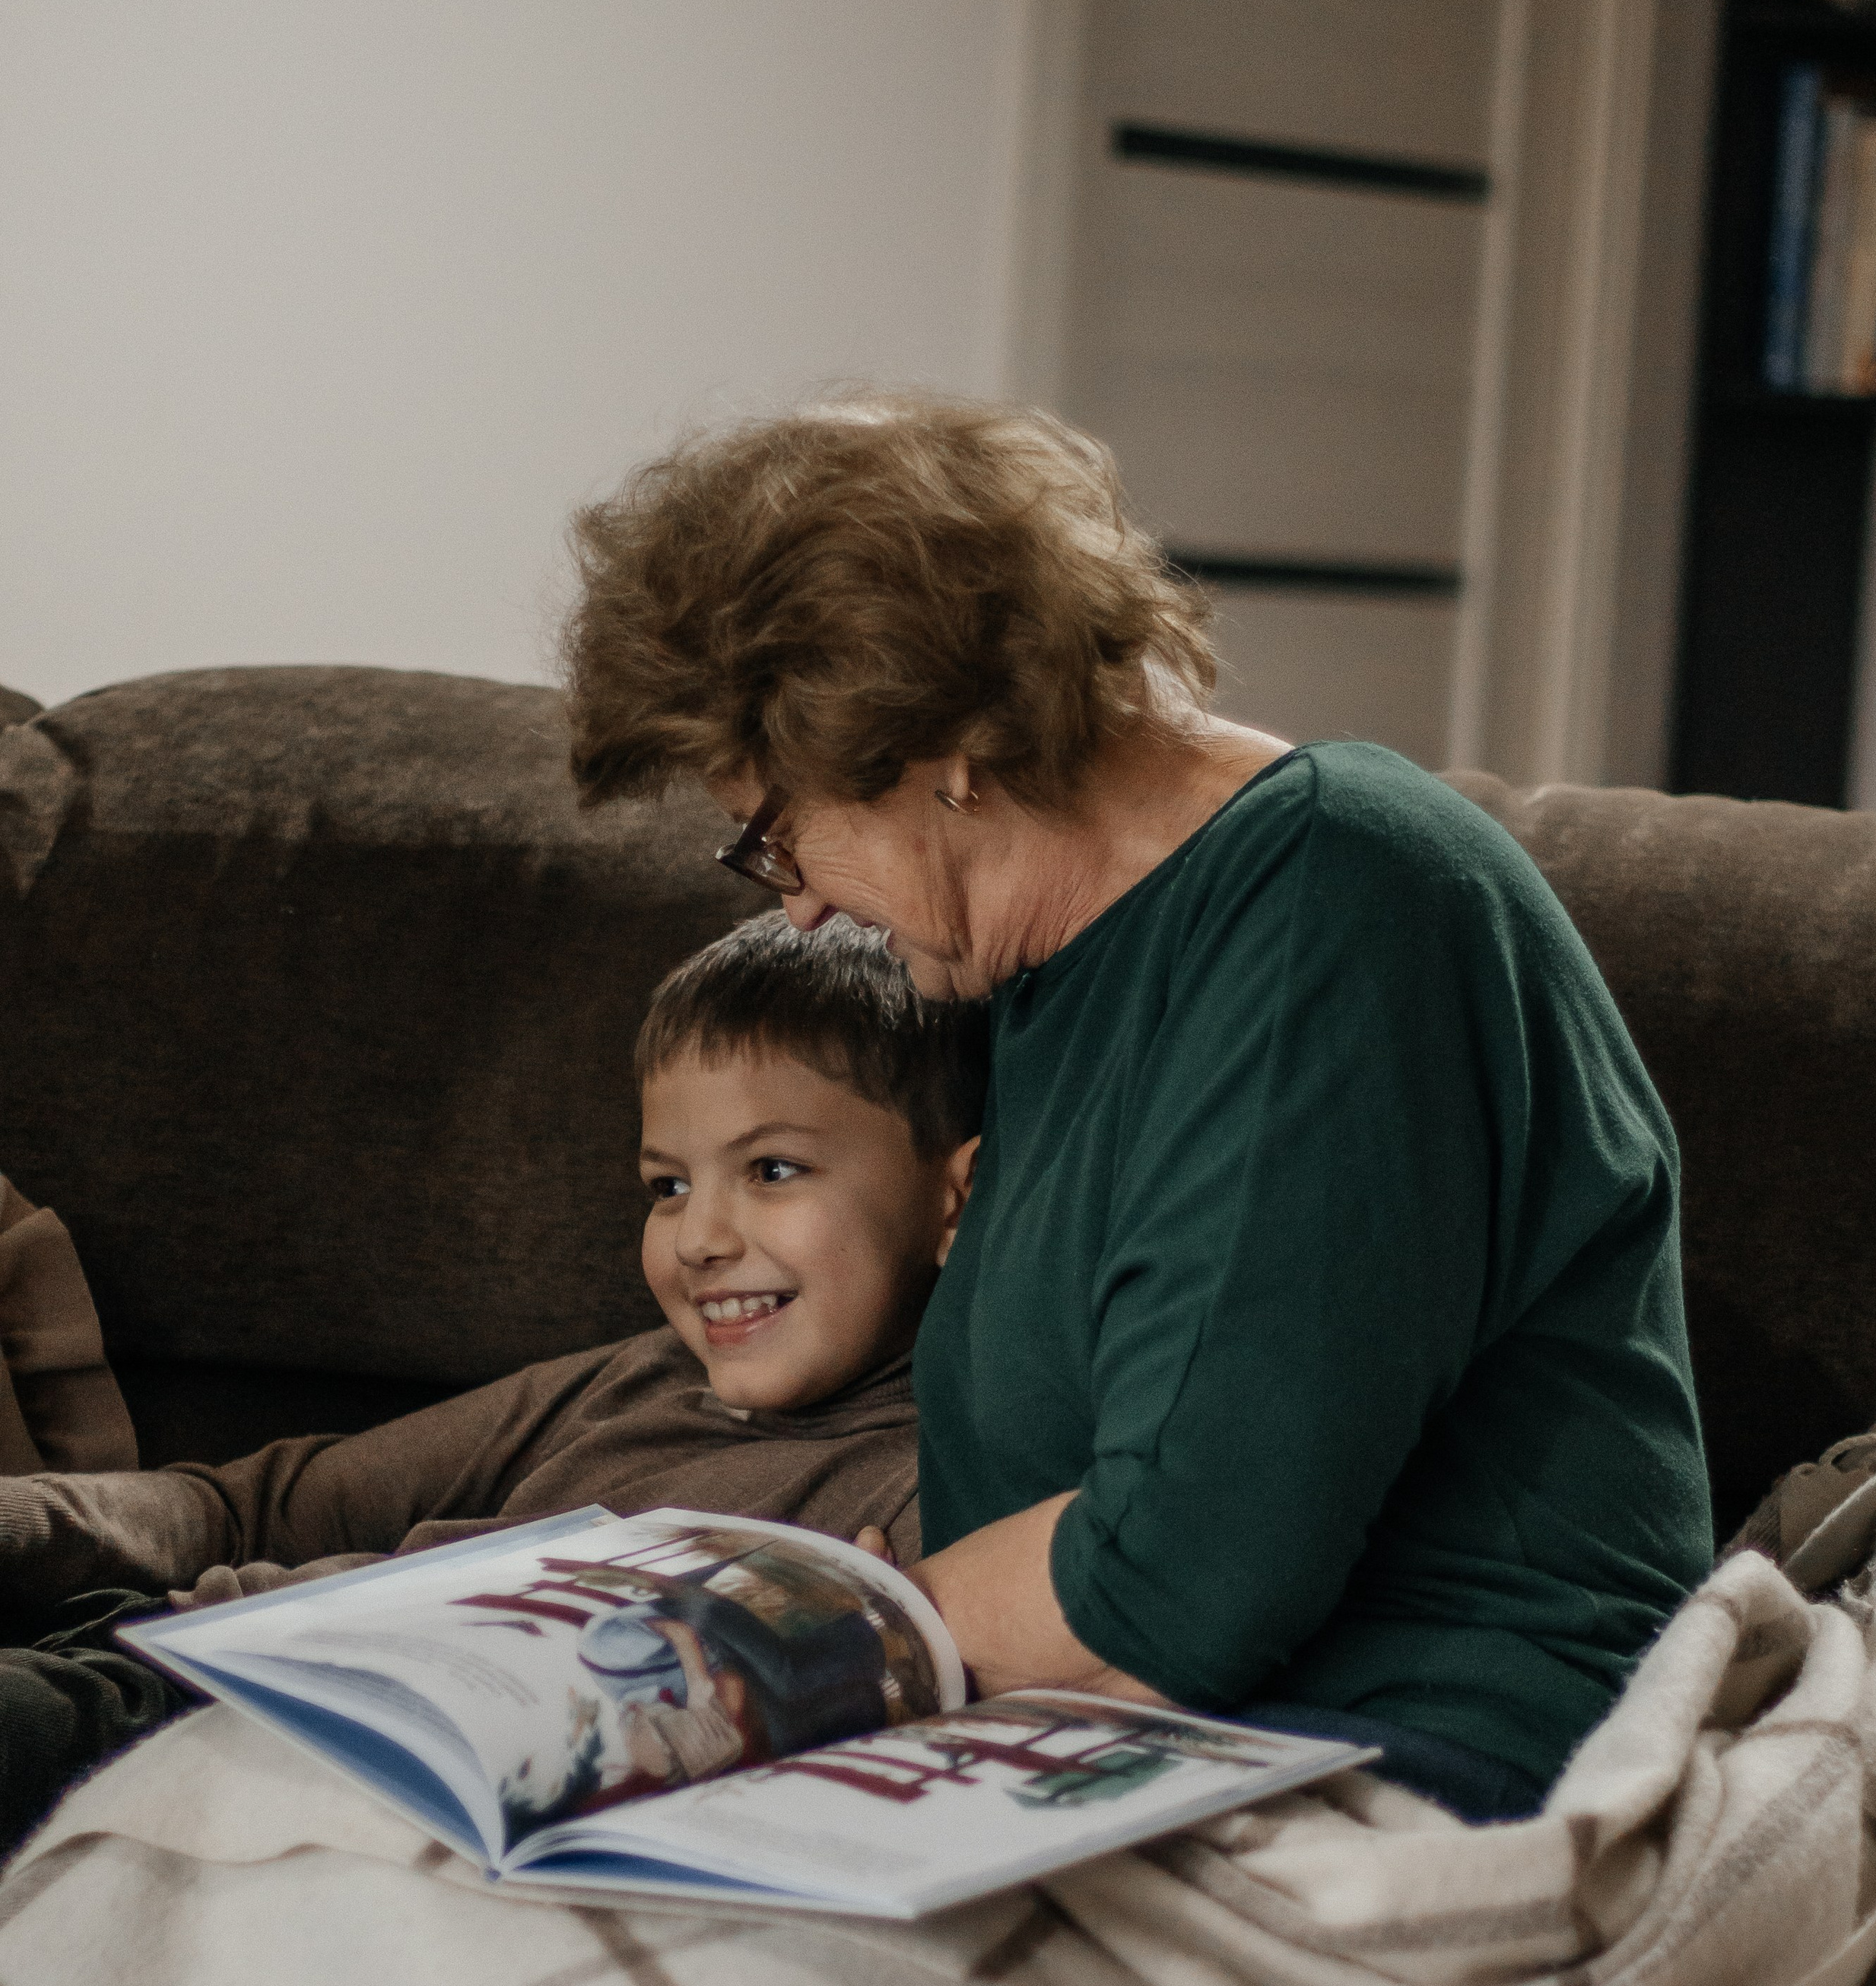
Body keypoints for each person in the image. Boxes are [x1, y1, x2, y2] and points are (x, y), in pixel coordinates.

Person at [563, 392, 1717, 1824]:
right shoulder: (1042, 979)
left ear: (940, 741)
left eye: (774, 826)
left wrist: (839, 1644)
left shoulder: (1334, 903)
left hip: (1406, 1750)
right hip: (1118, 1740)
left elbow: (1183, 1583)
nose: (791, 901)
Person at [0, 913, 982, 1849]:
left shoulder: (944, 1486)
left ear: (957, 1196)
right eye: (668, 1187)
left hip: (249, 1729)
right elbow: (257, 1508)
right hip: (170, 1644)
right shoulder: (641, 1378)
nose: (699, 1240)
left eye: (772, 1169)